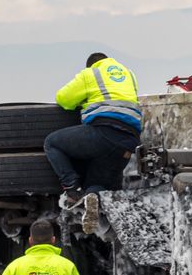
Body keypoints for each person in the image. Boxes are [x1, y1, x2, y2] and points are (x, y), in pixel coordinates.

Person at [44, 51, 142, 209]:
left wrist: (83, 100)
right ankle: (92, 200)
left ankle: (72, 189)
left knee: (51, 143)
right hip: (129, 142)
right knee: (95, 184)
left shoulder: (90, 74)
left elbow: (63, 98)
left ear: (91, 64)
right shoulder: (129, 74)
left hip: (104, 133)